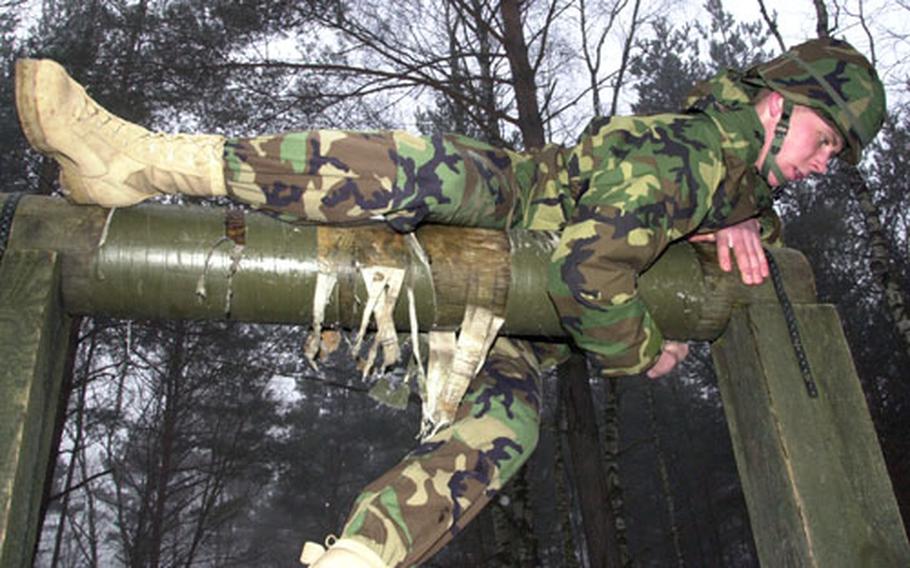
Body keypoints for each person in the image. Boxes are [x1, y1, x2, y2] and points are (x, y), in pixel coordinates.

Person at [14, 37, 884, 567]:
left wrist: (745, 225)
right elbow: (589, 275)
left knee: (509, 429)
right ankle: (140, 159)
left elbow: (714, 228)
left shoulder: (728, 184)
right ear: (775, 105)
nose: (820, 161)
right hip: (514, 206)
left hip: (517, 328)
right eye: (820, 139)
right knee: (417, 167)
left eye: (834, 155)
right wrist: (642, 349)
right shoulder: (693, 156)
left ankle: (359, 556)